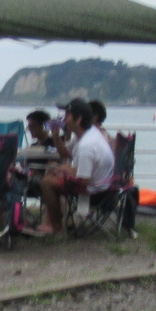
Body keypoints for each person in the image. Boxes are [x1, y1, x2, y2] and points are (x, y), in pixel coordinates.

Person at [39, 99, 115, 236]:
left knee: (47, 183)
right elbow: (65, 153)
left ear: (78, 119)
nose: (64, 119)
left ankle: (56, 227)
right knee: (54, 169)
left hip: (95, 190)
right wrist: (55, 136)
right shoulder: (87, 133)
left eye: (68, 115)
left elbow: (83, 181)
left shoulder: (86, 145)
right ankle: (52, 222)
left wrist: (66, 171)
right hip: (100, 182)